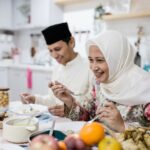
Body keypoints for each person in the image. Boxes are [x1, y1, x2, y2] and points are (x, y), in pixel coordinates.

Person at [50, 30, 150, 132]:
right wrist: (70, 101)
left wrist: (123, 127)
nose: (93, 67)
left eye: (100, 60)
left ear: (116, 60)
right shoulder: (98, 83)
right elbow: (86, 117)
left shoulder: (145, 88)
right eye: (90, 60)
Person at [21, 22, 92, 117]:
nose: (54, 55)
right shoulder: (57, 69)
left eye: (57, 49)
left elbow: (92, 107)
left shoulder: (89, 67)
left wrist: (70, 110)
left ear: (71, 42)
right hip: (58, 122)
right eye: (50, 51)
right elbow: (53, 100)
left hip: (81, 124)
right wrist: (35, 99)